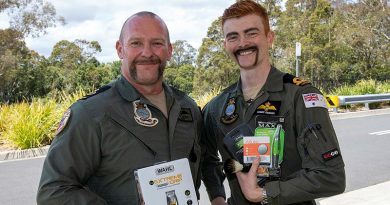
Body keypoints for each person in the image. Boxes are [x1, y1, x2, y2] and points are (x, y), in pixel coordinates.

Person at [37, 11, 203, 205]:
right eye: (136, 43)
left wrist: (216, 193)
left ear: (169, 50)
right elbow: (53, 192)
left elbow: (204, 163)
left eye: (157, 43)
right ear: (120, 49)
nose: (147, 52)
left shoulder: (188, 108)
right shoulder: (91, 114)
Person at [201, 1, 345, 205]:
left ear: (270, 38)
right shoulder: (216, 108)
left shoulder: (300, 96)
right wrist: (217, 197)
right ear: (225, 44)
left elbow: (332, 177)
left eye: (251, 33)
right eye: (233, 36)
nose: (242, 43)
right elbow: (206, 158)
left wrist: (264, 193)